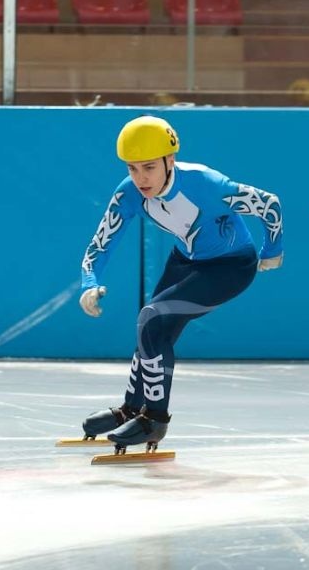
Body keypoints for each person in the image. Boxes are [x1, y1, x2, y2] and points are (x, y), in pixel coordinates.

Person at [79, 116, 283, 450]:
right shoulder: (129, 193)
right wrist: (89, 281)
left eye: (148, 167)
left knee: (151, 319)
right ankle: (133, 408)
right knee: (152, 329)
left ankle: (154, 420)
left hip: (230, 266)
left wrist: (272, 249)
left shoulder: (206, 184)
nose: (140, 178)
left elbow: (268, 203)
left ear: (169, 160)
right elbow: (101, 242)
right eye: (132, 169)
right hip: (186, 261)